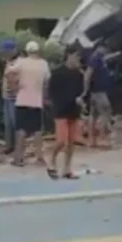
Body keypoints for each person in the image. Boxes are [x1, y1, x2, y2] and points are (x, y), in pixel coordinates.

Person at [7, 41, 51, 167]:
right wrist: (44, 96)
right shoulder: (43, 64)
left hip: (22, 100)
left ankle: (18, 158)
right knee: (37, 130)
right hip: (36, 101)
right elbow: (47, 82)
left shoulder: (22, 62)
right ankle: (39, 157)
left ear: (27, 51)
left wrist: (14, 86)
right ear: (38, 51)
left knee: (21, 130)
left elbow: (8, 72)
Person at [46, 45, 85, 179]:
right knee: (61, 140)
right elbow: (52, 92)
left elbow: (80, 92)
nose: (78, 59)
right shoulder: (57, 73)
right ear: (69, 55)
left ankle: (67, 168)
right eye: (76, 56)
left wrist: (80, 100)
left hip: (73, 110)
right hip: (61, 110)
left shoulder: (78, 74)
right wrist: (56, 104)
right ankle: (51, 161)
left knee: (71, 141)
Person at [83, 44, 114, 149]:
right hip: (98, 91)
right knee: (105, 112)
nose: (106, 50)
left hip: (96, 91)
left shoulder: (100, 58)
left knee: (94, 115)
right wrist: (86, 89)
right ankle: (102, 139)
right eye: (105, 48)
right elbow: (87, 75)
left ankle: (92, 140)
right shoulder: (95, 58)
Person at [0, 38, 19, 155]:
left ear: (11, 51)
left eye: (4, 50)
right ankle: (9, 146)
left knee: (15, 123)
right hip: (6, 96)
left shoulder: (17, 63)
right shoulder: (8, 61)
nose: (2, 52)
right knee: (8, 123)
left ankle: (17, 147)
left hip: (13, 97)